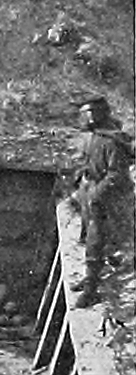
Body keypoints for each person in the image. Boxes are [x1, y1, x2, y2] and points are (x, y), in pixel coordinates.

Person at [70, 95, 134, 308]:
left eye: (84, 114)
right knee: (89, 238)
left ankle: (91, 290)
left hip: (107, 199)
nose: (81, 119)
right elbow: (90, 161)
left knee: (95, 243)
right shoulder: (95, 137)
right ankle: (90, 277)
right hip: (92, 193)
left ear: (94, 116)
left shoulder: (111, 142)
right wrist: (81, 176)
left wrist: (97, 194)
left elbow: (116, 175)